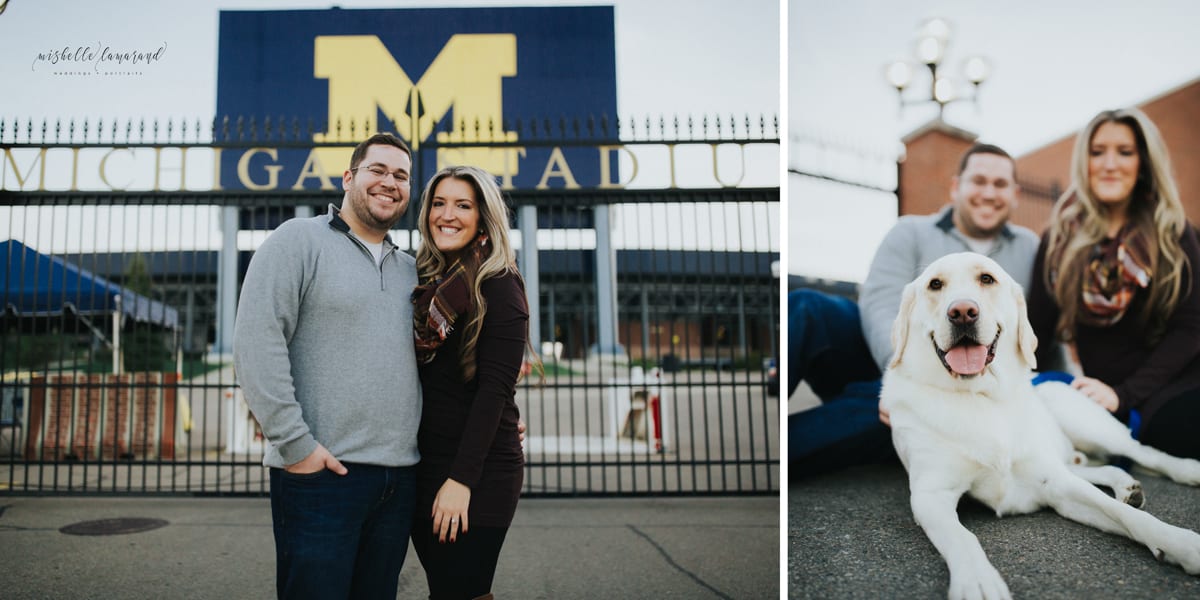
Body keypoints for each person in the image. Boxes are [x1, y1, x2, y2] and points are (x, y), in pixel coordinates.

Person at [233, 132, 422, 599]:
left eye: (400, 175)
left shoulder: (413, 270)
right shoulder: (298, 240)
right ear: (349, 177)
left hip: (399, 481)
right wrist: (296, 447)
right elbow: (257, 340)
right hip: (320, 476)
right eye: (377, 170)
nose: (389, 182)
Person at [789, 143, 1041, 478]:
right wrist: (899, 379)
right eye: (978, 181)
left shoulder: (1030, 248)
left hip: (960, 390)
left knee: (871, 413)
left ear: (1015, 194)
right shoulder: (909, 231)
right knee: (807, 305)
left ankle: (789, 451)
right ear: (955, 187)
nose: (988, 192)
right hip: (887, 358)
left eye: (999, 185)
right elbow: (880, 304)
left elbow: (1044, 325)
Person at [1028, 107, 1200, 459]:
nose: (1109, 164)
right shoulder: (1058, 239)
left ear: (1143, 164)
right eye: (1097, 152)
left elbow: (1191, 327)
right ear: (1084, 162)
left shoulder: (1174, 231)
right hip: (1118, 399)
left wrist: (1126, 393)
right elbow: (1037, 332)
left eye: (1125, 152)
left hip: (1178, 381)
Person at [409, 165, 531, 600]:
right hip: (425, 464)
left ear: (484, 216)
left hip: (477, 475)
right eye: (439, 203)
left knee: (464, 591)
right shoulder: (428, 279)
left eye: (463, 205)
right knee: (446, 590)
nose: (448, 214)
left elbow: (494, 391)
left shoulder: (500, 285)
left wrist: (461, 481)